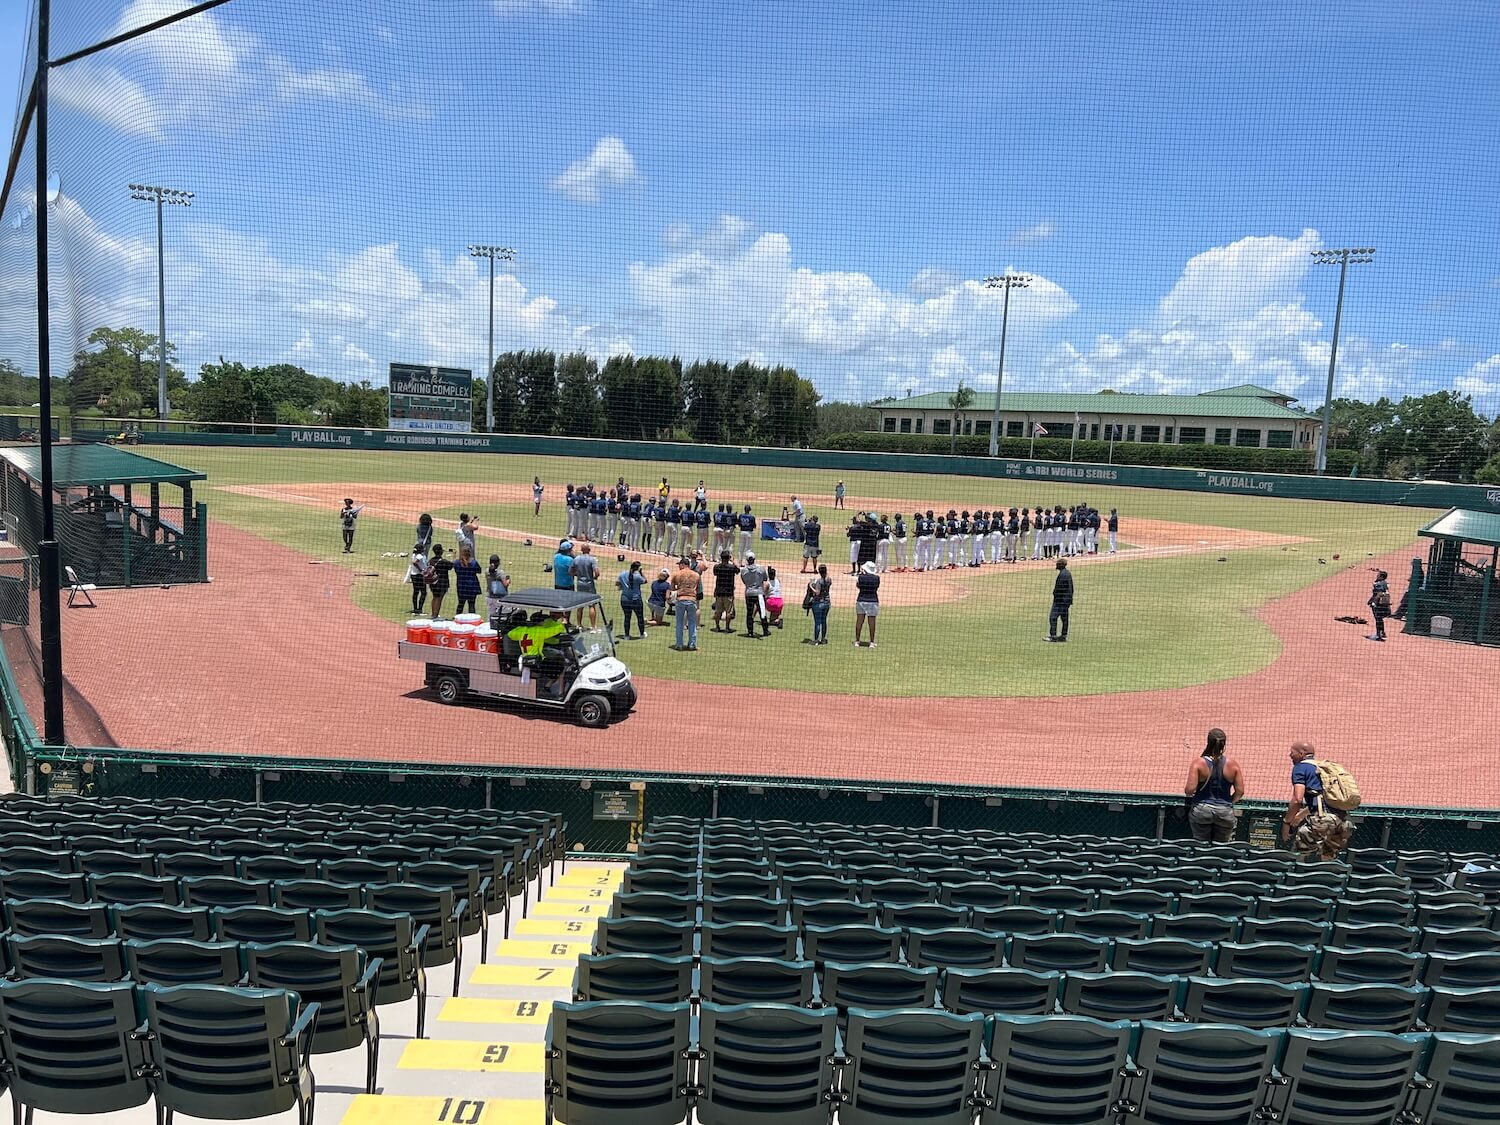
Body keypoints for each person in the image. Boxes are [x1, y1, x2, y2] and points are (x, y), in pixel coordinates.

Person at [1283, 741, 1354, 859]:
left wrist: (1287, 822)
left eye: (1292, 752)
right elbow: (1321, 799)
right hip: (1343, 822)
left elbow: (1297, 799)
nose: (1290, 755)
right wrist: (1300, 816)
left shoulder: (1301, 767)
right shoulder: (1323, 769)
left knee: (1299, 857)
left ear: (1301, 754)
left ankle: (1299, 874)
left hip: (1322, 822)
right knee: (1327, 861)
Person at [1184, 728, 1245, 843]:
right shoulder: (1233, 765)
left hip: (1201, 810)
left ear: (1208, 742)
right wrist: (1229, 801)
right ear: (1224, 744)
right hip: (1225, 812)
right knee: (1221, 849)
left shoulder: (1198, 763)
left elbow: (1189, 790)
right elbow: (1240, 792)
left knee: (1200, 846)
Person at [670, 556, 701, 650]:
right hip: (692, 599)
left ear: (683, 564)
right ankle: (692, 645)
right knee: (692, 623)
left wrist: (680, 589)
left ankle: (679, 644)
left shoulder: (676, 574)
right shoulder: (696, 575)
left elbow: (672, 588)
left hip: (680, 599)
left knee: (679, 623)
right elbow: (699, 589)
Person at [740, 551, 770, 638]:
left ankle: (750, 632)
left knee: (749, 613)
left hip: (749, 593)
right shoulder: (761, 569)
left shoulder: (743, 571)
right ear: (754, 559)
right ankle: (765, 630)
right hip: (759, 593)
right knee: (762, 612)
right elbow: (765, 579)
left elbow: (744, 581)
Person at [572, 543, 601, 627]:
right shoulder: (592, 559)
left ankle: (579, 625)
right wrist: (594, 577)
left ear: (581, 550)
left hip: (580, 583)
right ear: (589, 550)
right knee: (591, 605)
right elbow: (597, 572)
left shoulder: (577, 559)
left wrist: (578, 575)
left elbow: (571, 571)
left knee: (580, 605)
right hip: (589, 584)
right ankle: (593, 626)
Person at [617, 560, 647, 640]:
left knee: (627, 617)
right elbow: (645, 581)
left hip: (625, 599)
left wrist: (623, 586)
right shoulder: (637, 576)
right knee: (640, 617)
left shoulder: (622, 574)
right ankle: (641, 634)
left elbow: (617, 583)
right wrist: (641, 572)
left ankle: (626, 635)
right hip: (636, 600)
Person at [854, 560, 880, 647]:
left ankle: (857, 641)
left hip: (861, 600)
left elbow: (858, 586)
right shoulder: (877, 578)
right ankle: (871, 642)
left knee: (859, 621)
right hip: (873, 601)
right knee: (872, 622)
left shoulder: (861, 577)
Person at [711, 551, 739, 632]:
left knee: (718, 611)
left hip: (719, 591)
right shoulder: (732, 567)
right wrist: (734, 562)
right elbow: (738, 571)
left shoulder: (717, 567)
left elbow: (715, 573)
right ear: (729, 558)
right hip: (728, 592)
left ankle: (717, 627)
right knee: (728, 611)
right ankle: (727, 628)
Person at [805, 564, 832, 645]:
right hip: (827, 602)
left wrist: (810, 585)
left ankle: (816, 640)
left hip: (818, 603)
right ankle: (823, 639)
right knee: (824, 621)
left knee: (817, 622)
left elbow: (817, 593)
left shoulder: (819, 582)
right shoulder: (829, 579)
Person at [1048, 557, 1073, 642]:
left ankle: (1053, 636)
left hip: (1060, 600)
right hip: (1066, 601)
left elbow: (1059, 588)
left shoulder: (1063, 575)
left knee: (1053, 617)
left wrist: (1055, 594)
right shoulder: (1067, 573)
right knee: (1064, 619)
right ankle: (1063, 636)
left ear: (1060, 565)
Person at [427, 543, 453, 620]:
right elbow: (451, 566)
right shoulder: (443, 561)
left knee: (435, 597)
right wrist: (454, 556)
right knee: (439, 598)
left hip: (433, 582)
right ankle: (435, 615)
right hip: (442, 582)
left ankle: (433, 614)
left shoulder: (431, 560)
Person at [453, 546, 481, 616]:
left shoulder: (457, 563)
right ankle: (472, 620)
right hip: (472, 586)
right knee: (471, 604)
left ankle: (457, 618)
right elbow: (479, 570)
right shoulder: (473, 562)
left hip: (461, 586)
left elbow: (455, 569)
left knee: (460, 604)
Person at [1367, 569, 1391, 642]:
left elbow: (1379, 593)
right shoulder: (1385, 583)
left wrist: (1374, 602)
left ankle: (1378, 635)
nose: (1377, 575)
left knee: (1378, 619)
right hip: (1384, 603)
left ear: (1381, 576)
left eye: (1378, 575)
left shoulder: (1379, 584)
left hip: (1379, 604)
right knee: (1380, 618)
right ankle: (1382, 633)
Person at [485, 553, 510, 621]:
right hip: (500, 598)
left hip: (490, 597)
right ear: (498, 563)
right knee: (502, 616)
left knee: (491, 615)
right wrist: (508, 580)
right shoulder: (500, 573)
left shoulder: (487, 571)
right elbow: (505, 584)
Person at [407, 542, 429, 615]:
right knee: (423, 592)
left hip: (413, 575)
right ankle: (420, 609)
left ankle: (415, 608)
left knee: (416, 592)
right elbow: (415, 562)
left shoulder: (414, 555)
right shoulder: (420, 556)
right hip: (419, 575)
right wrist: (421, 570)